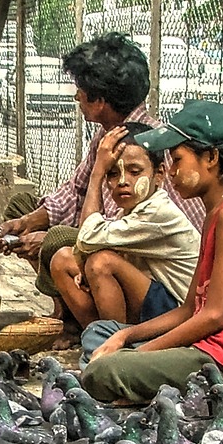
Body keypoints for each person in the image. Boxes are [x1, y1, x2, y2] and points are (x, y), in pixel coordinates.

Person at [0, 32, 204, 348]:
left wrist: (51, 236)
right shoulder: (108, 136)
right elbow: (75, 191)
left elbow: (126, 231)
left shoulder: (148, 147)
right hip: (113, 236)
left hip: (143, 260)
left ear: (100, 101)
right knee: (22, 208)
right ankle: (70, 310)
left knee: (60, 243)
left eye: (80, 92)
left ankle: (91, 328)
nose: (76, 98)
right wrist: (26, 224)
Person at [80, 100, 223, 405]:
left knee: (102, 372)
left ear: (211, 157)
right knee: (100, 335)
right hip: (206, 347)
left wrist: (138, 354)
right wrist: (124, 337)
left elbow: (214, 317)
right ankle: (138, 380)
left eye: (178, 160)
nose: (174, 172)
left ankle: (142, 385)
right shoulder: (216, 215)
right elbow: (189, 309)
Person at [52, 121, 198, 333]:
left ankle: (112, 343)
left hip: (177, 312)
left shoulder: (158, 212)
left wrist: (97, 174)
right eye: (112, 174)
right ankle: (96, 335)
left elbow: (86, 237)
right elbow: (85, 244)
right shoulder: (131, 211)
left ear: (159, 174)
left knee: (101, 262)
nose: (122, 181)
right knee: (63, 260)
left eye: (134, 171)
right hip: (152, 300)